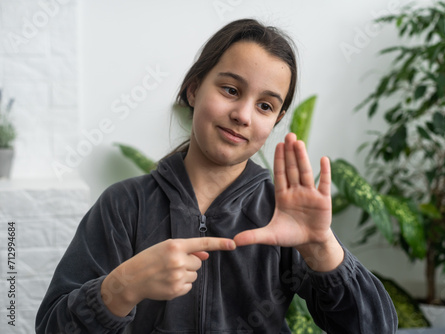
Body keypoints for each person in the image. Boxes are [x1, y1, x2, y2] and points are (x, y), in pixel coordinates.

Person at [36, 18, 397, 333]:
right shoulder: (123, 206)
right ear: (193, 89)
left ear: (276, 121)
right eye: (230, 90)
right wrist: (122, 286)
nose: (243, 114)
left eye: (265, 106)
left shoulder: (282, 214)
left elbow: (374, 327)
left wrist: (320, 246)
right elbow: (52, 327)